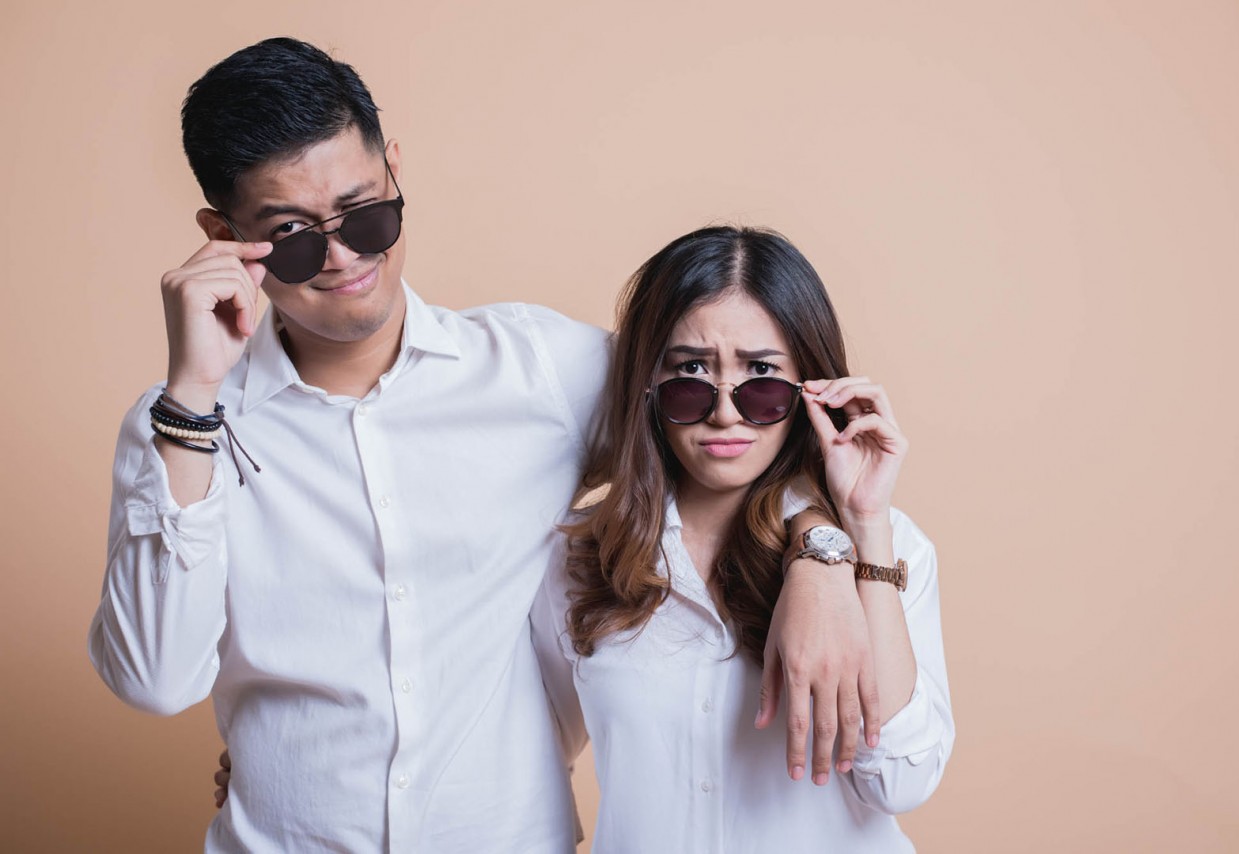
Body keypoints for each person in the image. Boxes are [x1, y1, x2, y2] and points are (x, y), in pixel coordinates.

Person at [89, 38, 880, 851]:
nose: (344, 258)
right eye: (292, 236)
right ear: (223, 235)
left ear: (395, 171)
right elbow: (154, 679)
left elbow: (737, 428)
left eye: (366, 215)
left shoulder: (541, 371)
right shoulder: (182, 424)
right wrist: (193, 399)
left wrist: (819, 555)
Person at [530, 226, 954, 851]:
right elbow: (535, 756)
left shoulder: (891, 547)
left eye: (761, 372)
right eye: (691, 370)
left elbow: (900, 781)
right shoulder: (578, 559)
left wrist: (863, 525)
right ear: (647, 383)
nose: (725, 412)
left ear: (810, 386)